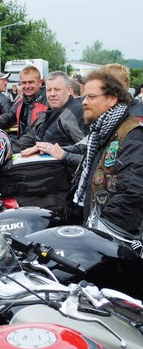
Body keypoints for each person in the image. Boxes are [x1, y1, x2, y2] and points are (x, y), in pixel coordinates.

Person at [35, 70, 143, 233]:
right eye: (85, 96)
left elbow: (132, 194)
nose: (84, 102)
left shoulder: (131, 134)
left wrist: (101, 230)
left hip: (111, 233)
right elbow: (85, 155)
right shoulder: (101, 130)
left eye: (92, 97)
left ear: (112, 99)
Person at [10, 71, 86, 213]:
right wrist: (4, 148)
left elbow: (86, 149)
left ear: (69, 90)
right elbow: (29, 138)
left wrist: (61, 153)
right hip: (46, 181)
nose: (52, 94)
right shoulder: (50, 112)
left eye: (57, 89)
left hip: (65, 188)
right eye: (49, 89)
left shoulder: (74, 113)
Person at [0, 65, 47, 150]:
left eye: (31, 82)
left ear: (40, 82)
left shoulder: (48, 101)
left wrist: (13, 148)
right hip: (23, 147)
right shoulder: (21, 101)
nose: (27, 86)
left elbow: (35, 133)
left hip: (41, 150)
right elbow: (7, 117)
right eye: (24, 83)